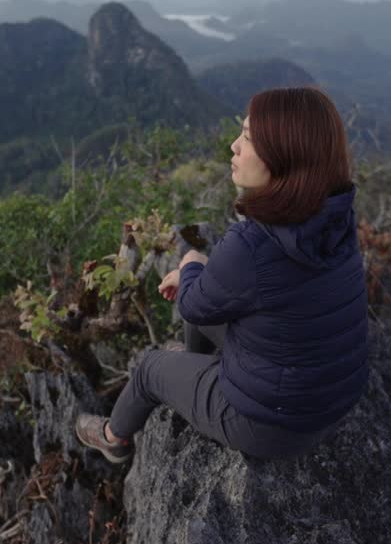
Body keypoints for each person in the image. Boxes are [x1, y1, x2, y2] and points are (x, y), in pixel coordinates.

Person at [74, 86, 369, 462]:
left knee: (150, 368)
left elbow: (194, 308)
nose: (233, 146)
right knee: (212, 295)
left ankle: (113, 439)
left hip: (273, 426)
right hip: (331, 399)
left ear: (283, 158)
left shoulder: (252, 242)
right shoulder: (334, 215)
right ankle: (199, 367)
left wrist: (192, 262)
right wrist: (201, 277)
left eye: (247, 138)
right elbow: (264, 288)